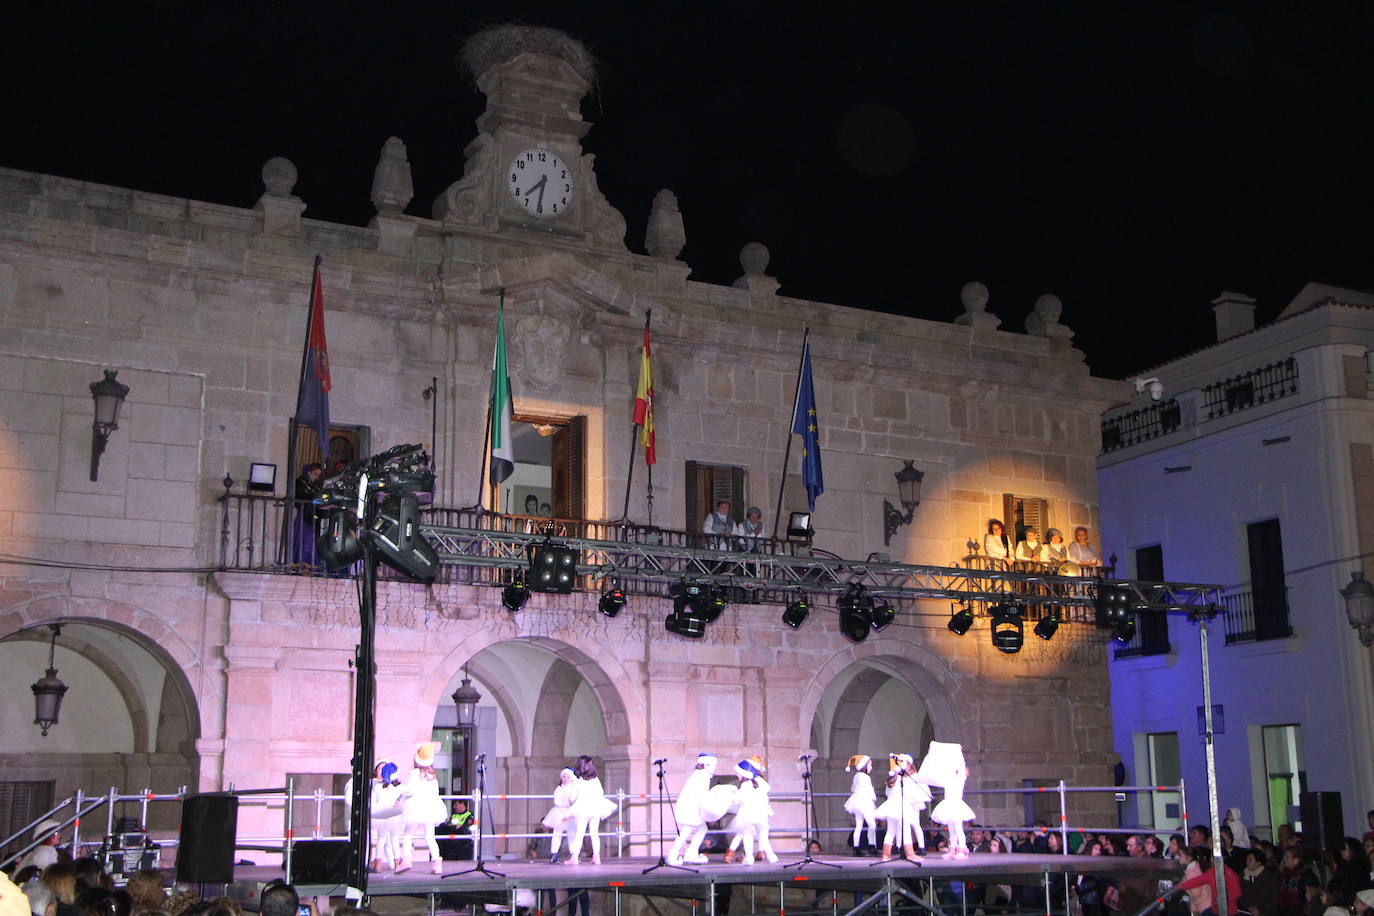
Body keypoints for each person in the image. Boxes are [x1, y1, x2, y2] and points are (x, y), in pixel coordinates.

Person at [921, 741, 976, 860]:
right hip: (948, 804)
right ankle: (953, 849)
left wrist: (958, 752)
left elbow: (961, 765)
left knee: (958, 827)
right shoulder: (948, 777)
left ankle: (962, 849)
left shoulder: (960, 778)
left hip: (955, 804)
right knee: (951, 828)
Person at [398, 742, 447, 874]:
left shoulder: (415, 773)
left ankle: (407, 859)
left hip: (415, 807)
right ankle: (437, 863)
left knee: (408, 834)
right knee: (430, 836)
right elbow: (435, 793)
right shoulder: (433, 775)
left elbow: (410, 791)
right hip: (430, 808)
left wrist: (401, 789)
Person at [873, 753, 930, 862]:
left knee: (890, 831)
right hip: (901, 805)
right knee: (906, 830)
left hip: (890, 806)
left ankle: (886, 854)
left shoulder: (892, 779)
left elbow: (887, 792)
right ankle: (910, 854)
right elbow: (908, 795)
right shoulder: (904, 780)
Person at [668, 753, 719, 866]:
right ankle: (673, 854)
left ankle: (691, 853)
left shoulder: (701, 775)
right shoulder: (701, 776)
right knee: (687, 830)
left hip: (694, 807)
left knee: (701, 829)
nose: (714, 767)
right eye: (713, 765)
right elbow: (701, 795)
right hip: (691, 808)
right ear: (706, 764)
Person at [564, 756, 615, 866]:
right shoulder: (595, 779)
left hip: (582, 807)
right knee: (594, 833)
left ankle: (575, 858)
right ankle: (597, 857)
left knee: (579, 833)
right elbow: (601, 792)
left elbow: (572, 797)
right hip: (595, 806)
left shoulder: (577, 780)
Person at [725, 756, 776, 865]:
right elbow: (767, 787)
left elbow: (736, 802)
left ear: (743, 774)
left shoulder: (744, 787)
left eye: (738, 773)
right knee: (763, 837)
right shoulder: (758, 785)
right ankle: (771, 856)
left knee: (747, 835)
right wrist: (756, 776)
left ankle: (749, 858)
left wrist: (734, 795)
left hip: (748, 815)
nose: (737, 775)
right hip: (761, 815)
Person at [1177, 845, 1243, 916]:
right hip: (1215, 909)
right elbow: (1198, 881)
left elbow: (1237, 892)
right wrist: (1182, 885)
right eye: (1212, 857)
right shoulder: (1211, 872)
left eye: (1213, 858)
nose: (1211, 859)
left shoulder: (1230, 873)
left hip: (1230, 910)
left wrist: (1225, 897)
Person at [370, 760, 404, 871]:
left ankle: (378, 863)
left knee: (381, 839)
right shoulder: (398, 788)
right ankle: (397, 863)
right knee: (394, 839)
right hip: (393, 816)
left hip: (382, 816)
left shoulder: (378, 787)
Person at [842, 754, 878, 856]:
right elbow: (870, 791)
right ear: (865, 766)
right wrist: (873, 799)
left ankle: (856, 848)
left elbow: (853, 789)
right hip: (865, 801)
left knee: (859, 825)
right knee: (872, 824)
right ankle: (872, 846)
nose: (871, 767)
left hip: (856, 801)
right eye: (870, 765)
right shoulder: (866, 777)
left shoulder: (856, 776)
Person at [291, 463, 324, 568]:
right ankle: (301, 565)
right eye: (315, 474)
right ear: (309, 472)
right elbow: (302, 497)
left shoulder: (315, 487)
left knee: (310, 541)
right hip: (304, 515)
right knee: (303, 541)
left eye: (318, 475)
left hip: (311, 516)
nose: (316, 477)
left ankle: (309, 565)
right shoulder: (300, 483)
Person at [542, 769, 577, 865]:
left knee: (571, 834)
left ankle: (574, 854)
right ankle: (554, 854)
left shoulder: (574, 788)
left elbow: (574, 799)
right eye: (564, 777)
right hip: (559, 813)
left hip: (570, 813)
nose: (565, 779)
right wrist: (566, 803)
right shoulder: (559, 789)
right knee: (557, 833)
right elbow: (557, 801)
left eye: (568, 777)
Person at [1239, 846, 1280, 916]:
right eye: (1247, 859)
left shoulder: (1269, 876)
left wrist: (1260, 909)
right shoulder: (1243, 876)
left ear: (1258, 862)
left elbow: (1273, 896)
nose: (1247, 862)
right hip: (1246, 912)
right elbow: (1239, 894)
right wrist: (1247, 907)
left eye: (1250, 859)